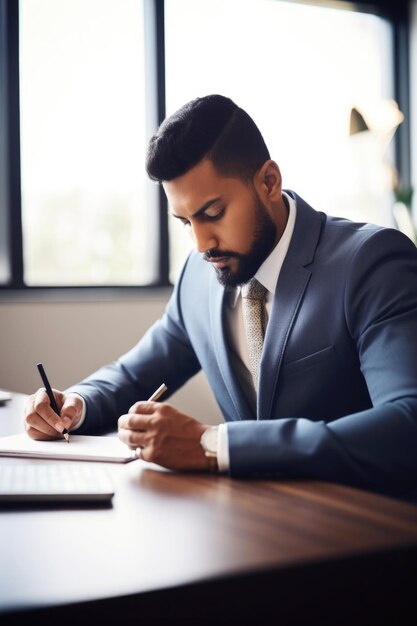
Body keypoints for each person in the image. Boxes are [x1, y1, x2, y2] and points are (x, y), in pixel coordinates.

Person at [24, 94, 417, 500]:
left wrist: (215, 445)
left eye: (212, 214)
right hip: (251, 523)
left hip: (370, 528)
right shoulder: (199, 277)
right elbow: (134, 375)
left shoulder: (372, 261)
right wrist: (75, 402)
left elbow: (408, 422)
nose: (201, 243)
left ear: (269, 182)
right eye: (185, 221)